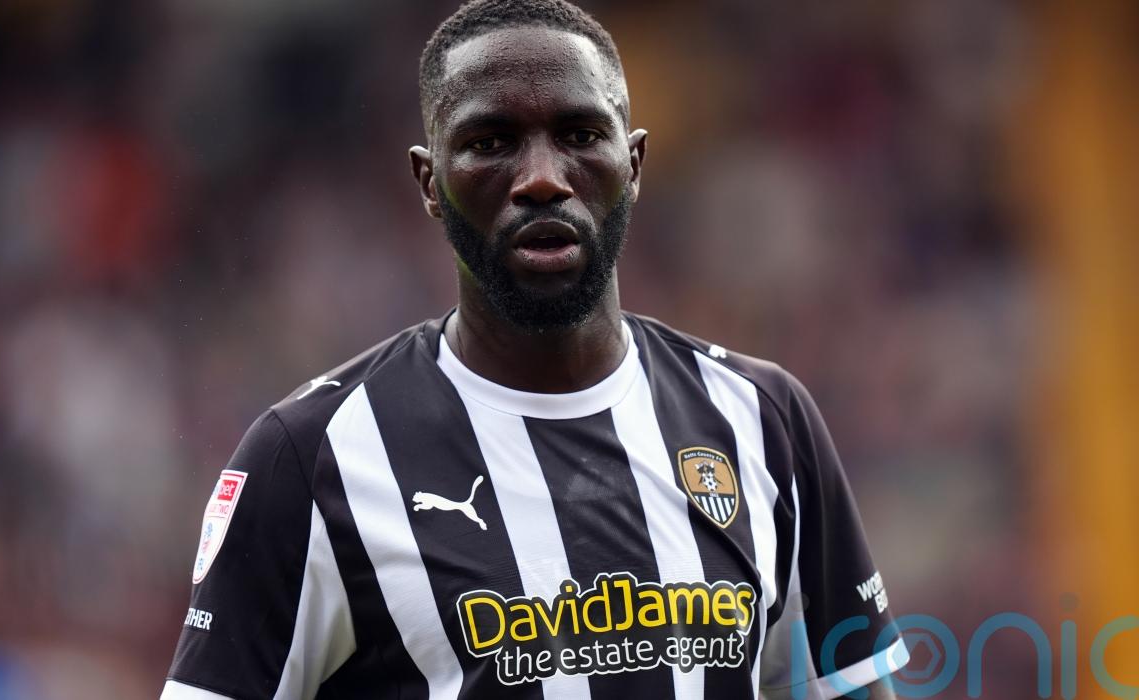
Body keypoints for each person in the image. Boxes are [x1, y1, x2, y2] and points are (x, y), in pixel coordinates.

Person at [161, 0, 908, 698]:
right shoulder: (311, 458)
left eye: (580, 136)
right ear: (429, 181)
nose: (543, 179)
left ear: (634, 164)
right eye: (491, 143)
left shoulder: (764, 420)